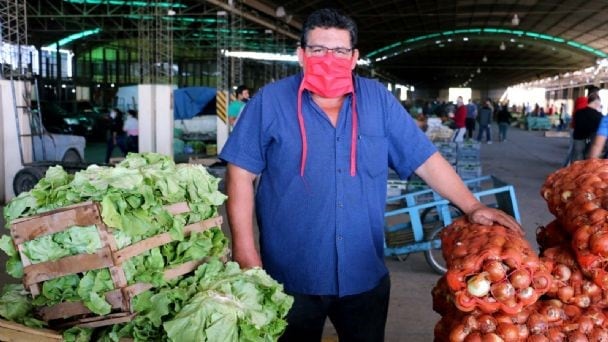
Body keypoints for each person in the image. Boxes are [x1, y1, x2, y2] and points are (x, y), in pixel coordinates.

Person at [219, 8, 521, 342]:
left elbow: (425, 160)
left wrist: (471, 206)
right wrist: (245, 252)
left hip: (363, 274)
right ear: (301, 55)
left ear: (354, 57)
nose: (328, 58)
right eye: (318, 50)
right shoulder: (270, 101)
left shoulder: (378, 100)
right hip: (289, 276)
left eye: (339, 51)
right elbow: (240, 173)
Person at [571, 92, 603, 161]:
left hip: (578, 138)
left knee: (577, 158)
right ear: (596, 102)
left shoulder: (579, 112)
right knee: (589, 160)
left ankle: (576, 171)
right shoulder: (598, 115)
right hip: (591, 139)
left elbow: (577, 125)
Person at [583, 95, 606, 159]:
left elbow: (597, 147)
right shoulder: (599, 115)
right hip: (593, 136)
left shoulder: (581, 112)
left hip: (585, 137)